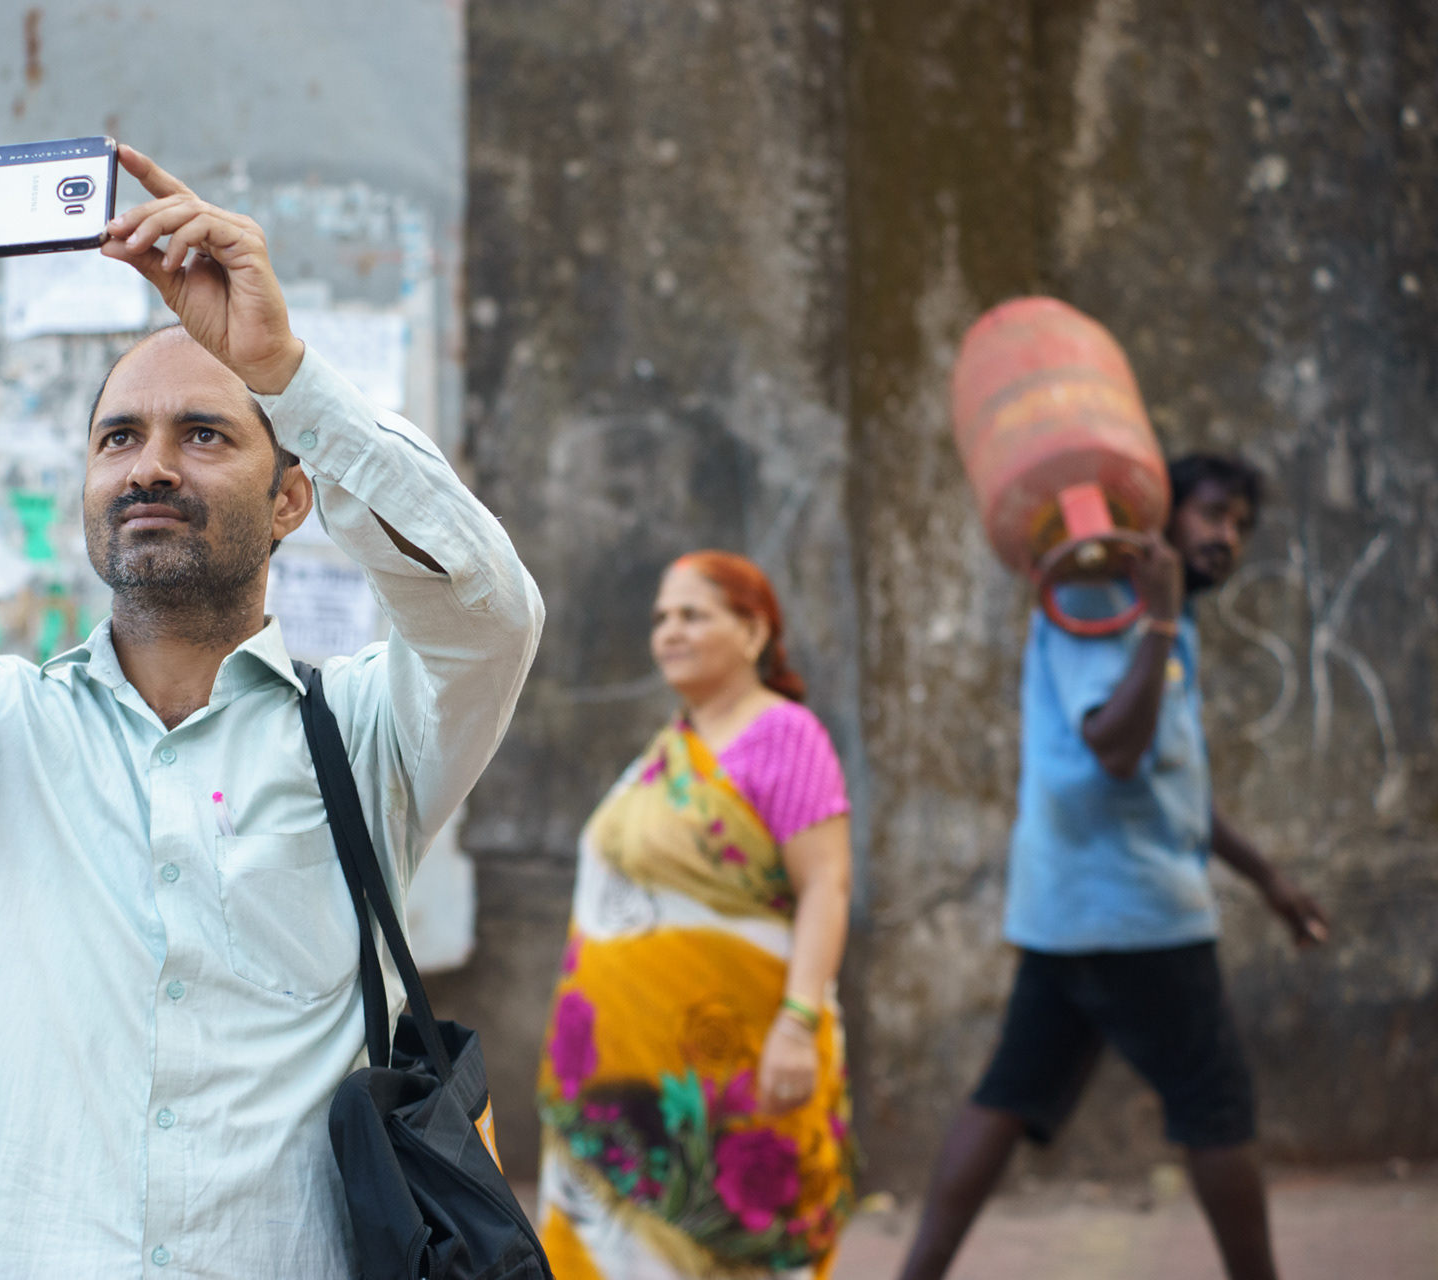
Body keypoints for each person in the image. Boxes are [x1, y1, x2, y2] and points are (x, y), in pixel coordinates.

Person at [0, 137, 542, 1277]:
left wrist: (286, 373)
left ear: (292, 499)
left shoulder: (368, 737)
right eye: (118, 438)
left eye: (206, 433)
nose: (151, 466)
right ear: (89, 488)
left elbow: (489, 614)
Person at [896, 455, 1331, 1280]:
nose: (1226, 537)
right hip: (1135, 911)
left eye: (1240, 525)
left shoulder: (1163, 618)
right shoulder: (1100, 600)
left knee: (1007, 1096)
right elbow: (1117, 750)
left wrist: (1266, 878)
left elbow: (1174, 786)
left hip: (1071, 908)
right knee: (1217, 1109)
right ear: (1160, 518)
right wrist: (1158, 622)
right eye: (1211, 514)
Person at [536, 551, 857, 1280]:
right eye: (661, 619)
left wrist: (798, 1023)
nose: (669, 633)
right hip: (623, 1076)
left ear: (754, 632)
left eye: (692, 615)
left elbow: (827, 886)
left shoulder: (785, 735)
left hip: (741, 1066)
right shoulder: (668, 752)